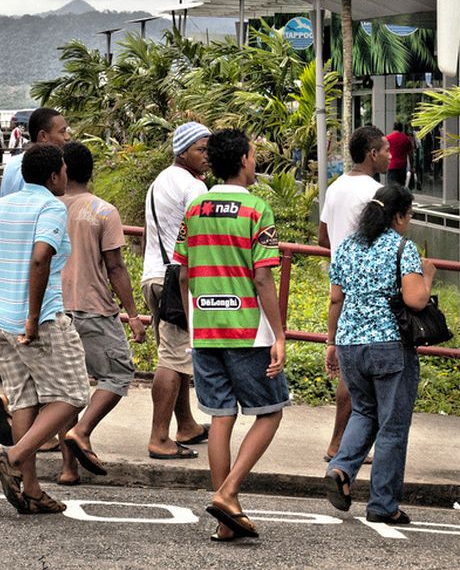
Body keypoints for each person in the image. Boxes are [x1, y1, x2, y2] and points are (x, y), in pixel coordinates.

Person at [0, 144, 86, 515]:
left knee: (25, 399)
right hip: (39, 320)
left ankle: (31, 490)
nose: (65, 175)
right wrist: (32, 317)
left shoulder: (1, 206)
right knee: (74, 394)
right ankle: (14, 457)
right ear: (53, 176)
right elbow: (41, 256)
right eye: (62, 170)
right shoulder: (51, 207)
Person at [175, 129, 287, 542]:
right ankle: (229, 492)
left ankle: (226, 520)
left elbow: (184, 273)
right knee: (270, 410)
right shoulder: (257, 209)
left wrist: (193, 321)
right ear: (242, 159)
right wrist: (280, 334)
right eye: (254, 155)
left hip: (205, 329)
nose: (255, 162)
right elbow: (262, 277)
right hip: (248, 332)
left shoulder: (196, 208)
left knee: (220, 416)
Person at [324, 183, 435, 526]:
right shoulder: (402, 247)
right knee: (392, 425)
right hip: (389, 346)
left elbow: (335, 299)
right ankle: (383, 505)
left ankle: (341, 468)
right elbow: (416, 300)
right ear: (398, 216)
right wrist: (428, 277)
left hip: (350, 343)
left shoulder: (347, 246)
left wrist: (331, 342)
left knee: (364, 411)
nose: (410, 221)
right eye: (410, 215)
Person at [54, 142, 148, 485]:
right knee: (118, 375)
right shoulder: (103, 211)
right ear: (90, 171)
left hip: (55, 309)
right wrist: (134, 314)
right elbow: (116, 267)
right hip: (93, 308)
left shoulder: (48, 209)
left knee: (68, 388)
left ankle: (68, 469)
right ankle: (82, 430)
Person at [318, 125, 390, 462]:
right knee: (357, 373)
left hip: (339, 284)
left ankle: (345, 442)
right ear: (372, 154)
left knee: (351, 365)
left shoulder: (334, 189)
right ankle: (340, 444)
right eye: (386, 150)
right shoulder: (377, 193)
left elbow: (322, 238)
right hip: (367, 289)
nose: (391, 155)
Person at [142, 122, 213, 460]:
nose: (207, 156)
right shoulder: (194, 188)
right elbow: (201, 243)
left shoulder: (159, 181)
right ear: (183, 151)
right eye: (201, 149)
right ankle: (159, 437)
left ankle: (186, 424)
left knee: (177, 354)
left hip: (154, 276)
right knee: (172, 359)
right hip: (177, 281)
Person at [0, 108, 69, 197]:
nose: (67, 137)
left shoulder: (11, 163)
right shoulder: (39, 169)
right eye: (62, 131)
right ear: (43, 136)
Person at [385, 122, 413, 186]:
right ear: (401, 128)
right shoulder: (406, 139)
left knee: (392, 188)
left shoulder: (388, 138)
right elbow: (410, 154)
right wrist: (411, 166)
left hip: (391, 165)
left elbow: (384, 152)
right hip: (402, 166)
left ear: (393, 128)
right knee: (401, 187)